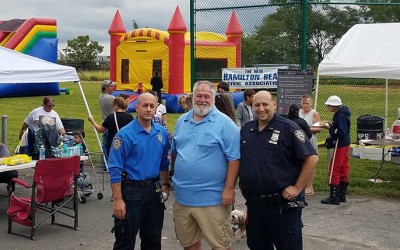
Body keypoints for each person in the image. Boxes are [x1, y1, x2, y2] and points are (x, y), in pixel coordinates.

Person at [239, 91, 318, 250]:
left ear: (274, 105)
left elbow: (312, 158)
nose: (261, 109)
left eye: (265, 104)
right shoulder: (247, 130)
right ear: (252, 107)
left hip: (281, 207)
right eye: (257, 105)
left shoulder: (288, 128)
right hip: (255, 206)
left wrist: (297, 188)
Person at [171, 80, 240, 250]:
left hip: (213, 199)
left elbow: (234, 159)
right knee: (189, 244)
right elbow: (175, 152)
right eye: (198, 96)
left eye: (206, 96)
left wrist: (229, 188)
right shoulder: (182, 121)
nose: (202, 100)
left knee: (220, 245)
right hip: (183, 198)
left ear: (214, 98)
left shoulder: (225, 124)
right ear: (193, 97)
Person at [108, 93, 170, 249]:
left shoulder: (161, 132)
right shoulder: (124, 135)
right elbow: (115, 168)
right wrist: (117, 200)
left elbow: (163, 161)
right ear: (136, 107)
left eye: (152, 106)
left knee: (153, 240)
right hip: (131, 192)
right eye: (145, 106)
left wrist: (165, 184)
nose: (148, 109)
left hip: (154, 192)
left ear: (157, 108)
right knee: (125, 240)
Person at [320, 95, 351, 205]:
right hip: (345, 143)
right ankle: (341, 195)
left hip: (340, 144)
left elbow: (340, 132)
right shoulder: (343, 113)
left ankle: (334, 196)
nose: (328, 107)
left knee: (335, 168)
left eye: (329, 106)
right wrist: (333, 125)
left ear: (334, 106)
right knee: (343, 167)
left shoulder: (340, 115)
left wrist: (330, 128)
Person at [299, 95, 322, 195]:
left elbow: (319, 129)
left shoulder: (314, 113)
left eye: (307, 103)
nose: (305, 105)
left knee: (310, 164)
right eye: (303, 103)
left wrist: (306, 129)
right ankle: (301, 185)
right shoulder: (299, 112)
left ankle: (310, 187)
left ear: (311, 103)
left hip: (310, 140)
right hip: (300, 141)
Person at [99, 79, 116, 170]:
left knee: (104, 144)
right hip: (110, 123)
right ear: (106, 88)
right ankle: (109, 164)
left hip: (104, 122)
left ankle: (103, 165)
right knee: (111, 144)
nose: (113, 87)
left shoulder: (100, 97)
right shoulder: (111, 98)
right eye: (111, 86)